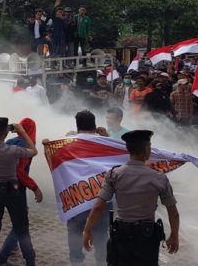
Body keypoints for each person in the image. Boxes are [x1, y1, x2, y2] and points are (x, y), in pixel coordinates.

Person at [82, 130, 180, 265]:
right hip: (146, 239)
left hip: (121, 236)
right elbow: (173, 212)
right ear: (146, 149)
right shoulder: (159, 178)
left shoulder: (114, 174)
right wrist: (174, 236)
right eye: (150, 146)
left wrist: (87, 230)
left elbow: (98, 206)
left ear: (129, 149)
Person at [43, 110, 110, 266]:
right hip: (101, 201)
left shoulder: (68, 143)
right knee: (102, 240)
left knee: (75, 238)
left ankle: (77, 263)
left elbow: (54, 165)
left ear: (77, 125)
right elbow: (119, 160)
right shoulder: (105, 143)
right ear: (95, 125)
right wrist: (107, 137)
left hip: (76, 199)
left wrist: (47, 148)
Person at [0, 118, 38, 266]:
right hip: (13, 191)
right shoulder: (12, 150)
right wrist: (22, 131)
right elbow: (34, 151)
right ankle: (30, 261)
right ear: (7, 132)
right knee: (21, 228)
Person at [0, 118, 43, 265]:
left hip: (1, 186)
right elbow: (20, 172)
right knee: (21, 226)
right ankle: (5, 258)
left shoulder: (10, 142)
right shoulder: (27, 146)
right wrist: (35, 188)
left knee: (19, 224)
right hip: (16, 188)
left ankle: (4, 255)